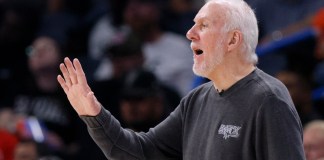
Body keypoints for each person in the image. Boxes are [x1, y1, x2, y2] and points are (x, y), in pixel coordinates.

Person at [57, 0, 306, 159]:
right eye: (193, 24)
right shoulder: (196, 101)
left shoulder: (268, 99)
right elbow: (139, 153)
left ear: (233, 40)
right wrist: (93, 114)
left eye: (204, 25)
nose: (190, 33)